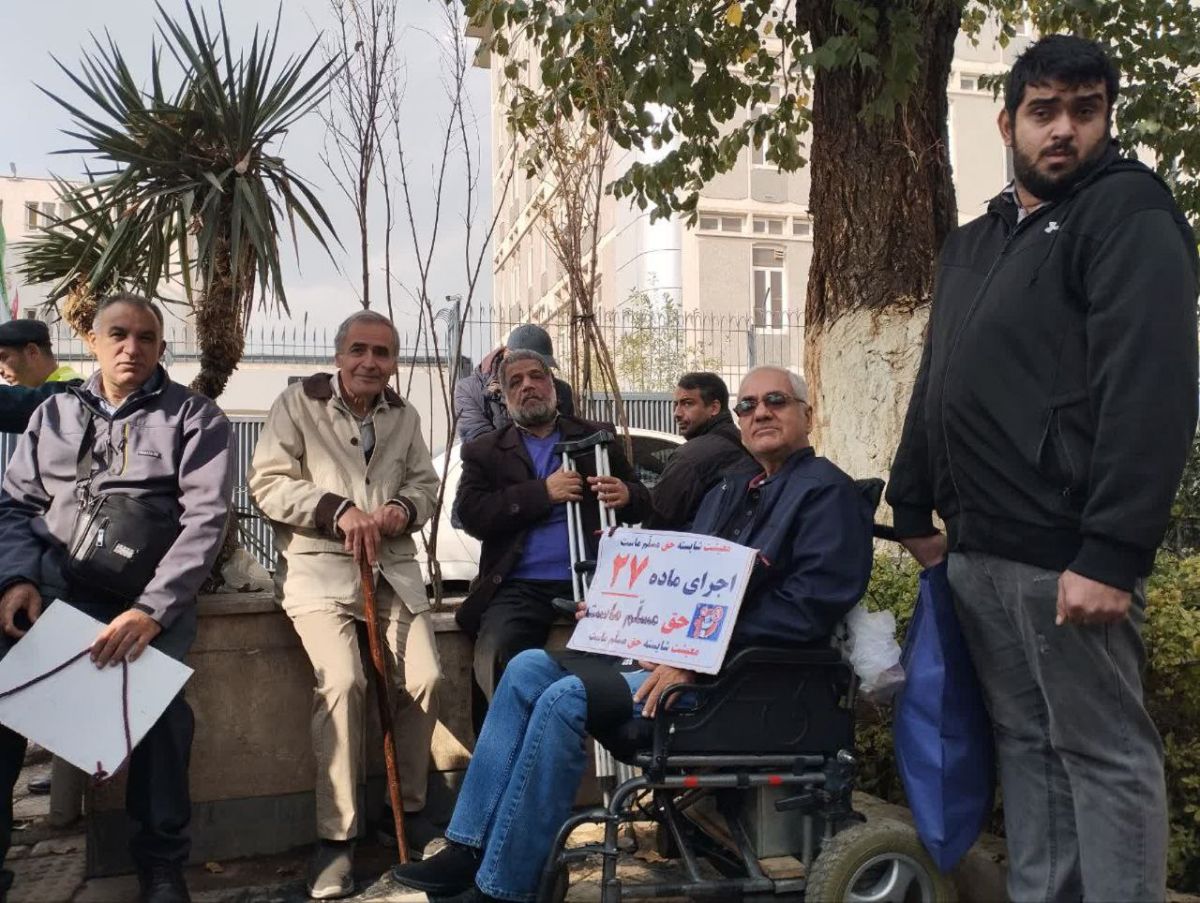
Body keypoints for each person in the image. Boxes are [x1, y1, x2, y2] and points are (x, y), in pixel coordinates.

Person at [887, 35, 1198, 903]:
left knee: (1104, 754)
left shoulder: (1129, 214)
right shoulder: (975, 241)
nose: (1063, 129)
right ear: (1007, 124)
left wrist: (1112, 551)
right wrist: (911, 503)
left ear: (1107, 119)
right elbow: (939, 376)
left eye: (1085, 110)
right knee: (1027, 746)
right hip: (978, 551)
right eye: (1044, 110)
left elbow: (1151, 386)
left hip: (1069, 555)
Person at [390, 365, 874, 903]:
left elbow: (806, 609)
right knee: (527, 667)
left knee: (564, 697)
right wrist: (620, 610)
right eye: (747, 405)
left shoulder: (827, 493)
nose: (759, 413)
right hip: (677, 658)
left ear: (807, 414)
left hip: (737, 681)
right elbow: (680, 569)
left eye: (776, 401)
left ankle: (508, 887)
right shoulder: (733, 486)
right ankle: (469, 846)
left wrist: (695, 655)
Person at [0, 293, 234, 903]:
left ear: (162, 347)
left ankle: (161, 867)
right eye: (119, 335)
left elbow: (205, 522)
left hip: (141, 598)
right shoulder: (52, 413)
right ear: (94, 342)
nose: (132, 347)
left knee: (162, 717)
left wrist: (152, 611)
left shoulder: (194, 417)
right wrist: (16, 579)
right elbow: (15, 507)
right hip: (50, 589)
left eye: (146, 337)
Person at [248, 310, 442, 900]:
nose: (369, 362)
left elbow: (425, 485)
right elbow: (267, 483)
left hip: (392, 571)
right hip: (319, 571)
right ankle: (336, 838)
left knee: (428, 677)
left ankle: (406, 811)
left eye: (382, 353)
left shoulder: (404, 415)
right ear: (339, 356)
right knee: (342, 683)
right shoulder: (297, 404)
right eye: (358, 350)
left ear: (394, 363)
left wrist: (400, 511)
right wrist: (337, 510)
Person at [453, 350, 650, 709]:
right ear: (505, 397)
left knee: (623, 659)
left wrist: (626, 494)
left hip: (594, 580)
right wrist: (542, 493)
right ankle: (505, 742)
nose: (528, 386)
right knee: (497, 653)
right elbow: (471, 515)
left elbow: (643, 501)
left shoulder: (596, 437)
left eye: (536, 376)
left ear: (553, 385)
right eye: (516, 382)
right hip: (519, 585)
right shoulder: (486, 451)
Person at [642, 371, 752, 530]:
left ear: (714, 408)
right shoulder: (748, 445)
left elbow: (656, 524)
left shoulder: (689, 458)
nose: (677, 413)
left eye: (687, 403)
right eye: (676, 405)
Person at [453, 324, 574, 444]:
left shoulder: (561, 390)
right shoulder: (469, 391)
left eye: (541, 366)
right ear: (507, 355)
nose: (529, 384)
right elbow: (481, 446)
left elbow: (568, 440)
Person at [0, 319, 83, 433]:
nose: (0, 370)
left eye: (3, 357)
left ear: (32, 352)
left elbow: (34, 404)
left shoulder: (75, 390)